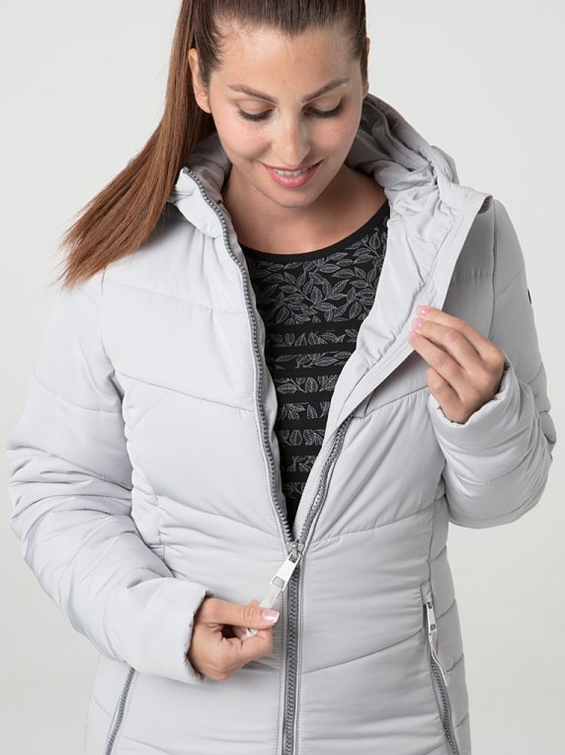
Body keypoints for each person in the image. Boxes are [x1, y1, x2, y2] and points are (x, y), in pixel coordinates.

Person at [6, 1, 556, 754]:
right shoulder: (127, 253)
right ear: (200, 81)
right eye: (255, 110)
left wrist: (487, 418)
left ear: (364, 66)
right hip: (170, 729)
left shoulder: (464, 241)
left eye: (325, 108)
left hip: (395, 730)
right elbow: (59, 486)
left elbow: (502, 500)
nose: (292, 147)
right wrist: (161, 620)